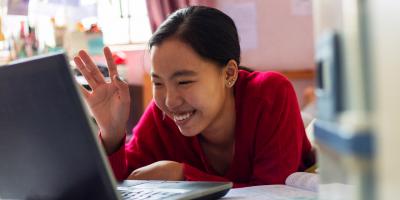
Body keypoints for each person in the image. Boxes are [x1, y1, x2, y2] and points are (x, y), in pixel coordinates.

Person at [74, 6, 315, 188]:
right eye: (158, 82)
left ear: (229, 73)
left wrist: (183, 175)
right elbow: (120, 186)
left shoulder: (270, 94)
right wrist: (113, 134)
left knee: (313, 122)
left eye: (184, 81)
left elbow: (272, 192)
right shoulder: (162, 115)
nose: (169, 101)